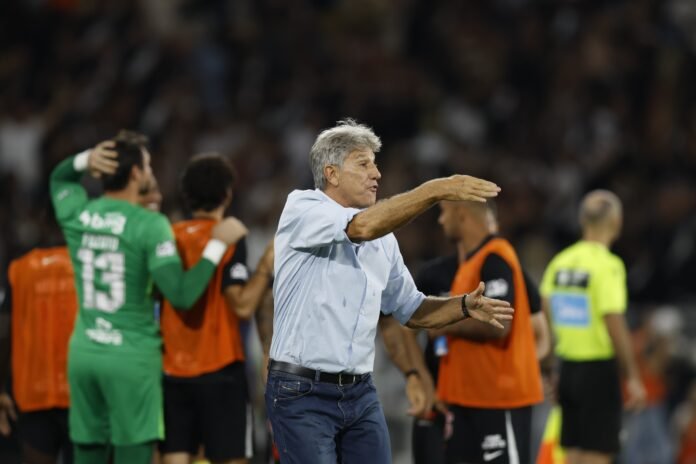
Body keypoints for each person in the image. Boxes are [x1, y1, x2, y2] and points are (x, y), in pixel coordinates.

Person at [266, 119, 514, 463]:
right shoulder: (303, 208)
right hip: (302, 393)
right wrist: (434, 189)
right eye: (363, 164)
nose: (376, 173)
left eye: (375, 163)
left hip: (360, 392)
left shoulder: (384, 240)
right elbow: (362, 227)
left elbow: (412, 310)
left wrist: (462, 306)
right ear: (331, 173)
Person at [49, 131, 246, 464]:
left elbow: (59, 179)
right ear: (136, 173)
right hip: (131, 359)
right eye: (148, 165)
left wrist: (84, 159)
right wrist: (216, 246)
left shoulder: (79, 214)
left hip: (84, 354)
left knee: (88, 453)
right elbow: (181, 294)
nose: (151, 172)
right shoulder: (149, 225)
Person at [0, 181, 163, 464]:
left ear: (43, 220)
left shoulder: (20, 269)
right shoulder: (102, 265)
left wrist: (2, 388)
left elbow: (4, 332)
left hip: (34, 394)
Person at [411, 200, 550, 464]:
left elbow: (499, 324)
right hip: (467, 399)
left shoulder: (496, 257)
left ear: (461, 214)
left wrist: (442, 322)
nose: (441, 221)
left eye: (444, 213)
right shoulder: (469, 265)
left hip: (498, 399)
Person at [158, 153, 274, 464]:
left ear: (186, 196)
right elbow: (242, 305)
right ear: (227, 194)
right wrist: (266, 266)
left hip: (173, 370)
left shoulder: (168, 238)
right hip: (221, 369)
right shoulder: (231, 235)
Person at [540, 189, 646, 464]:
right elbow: (614, 321)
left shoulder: (559, 263)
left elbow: (544, 318)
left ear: (583, 221)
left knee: (572, 453)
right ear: (616, 222)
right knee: (597, 455)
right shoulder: (608, 265)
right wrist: (632, 376)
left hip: (567, 370)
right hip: (598, 371)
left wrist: (550, 370)